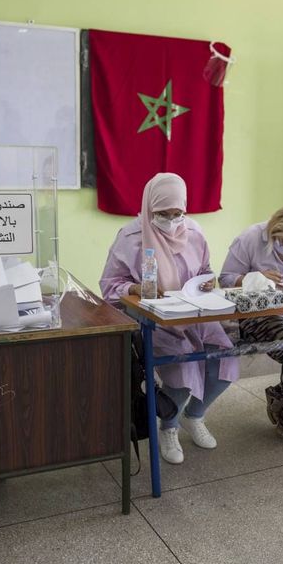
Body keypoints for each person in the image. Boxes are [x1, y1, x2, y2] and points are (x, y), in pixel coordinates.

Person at [100, 173, 239, 465]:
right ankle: (169, 427)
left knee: (225, 358)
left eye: (178, 214)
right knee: (181, 372)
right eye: (164, 214)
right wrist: (135, 288)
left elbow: (205, 269)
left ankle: (194, 415)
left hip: (194, 313)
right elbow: (109, 285)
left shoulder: (194, 232)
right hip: (154, 316)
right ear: (150, 208)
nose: (173, 220)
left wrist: (207, 281)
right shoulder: (130, 237)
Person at [219, 204, 283, 441]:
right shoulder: (250, 238)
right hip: (258, 312)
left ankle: (281, 396)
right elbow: (225, 279)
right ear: (275, 232)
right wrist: (254, 278)